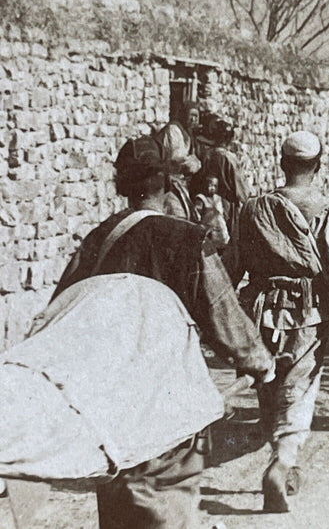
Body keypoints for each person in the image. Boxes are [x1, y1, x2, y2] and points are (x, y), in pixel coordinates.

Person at [53, 135, 275, 529]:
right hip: (168, 398)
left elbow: (63, 310)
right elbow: (222, 311)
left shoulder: (98, 240)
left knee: (120, 500)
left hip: (112, 401)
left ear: (121, 185)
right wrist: (258, 362)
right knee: (166, 501)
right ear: (169, 182)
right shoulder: (186, 240)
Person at [238, 131, 329, 513]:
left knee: (269, 382)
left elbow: (234, 263)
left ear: (282, 163)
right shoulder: (326, 211)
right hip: (308, 314)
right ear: (318, 166)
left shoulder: (253, 208)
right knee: (301, 388)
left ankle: (280, 452)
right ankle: (282, 462)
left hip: (261, 311)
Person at [192, 115, 250, 283]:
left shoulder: (208, 155)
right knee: (231, 247)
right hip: (228, 207)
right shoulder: (229, 159)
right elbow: (241, 191)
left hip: (211, 204)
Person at [155, 101, 202, 221]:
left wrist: (195, 162)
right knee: (177, 216)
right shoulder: (174, 130)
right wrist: (194, 163)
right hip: (169, 182)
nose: (193, 119)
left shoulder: (187, 134)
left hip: (180, 183)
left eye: (196, 116)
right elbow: (179, 160)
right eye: (191, 115)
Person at [194, 172, 230, 250]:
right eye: (210, 185)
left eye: (215, 186)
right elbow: (197, 215)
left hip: (220, 230)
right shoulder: (201, 198)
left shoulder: (218, 198)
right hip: (209, 230)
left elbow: (223, 213)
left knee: (221, 249)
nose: (212, 188)